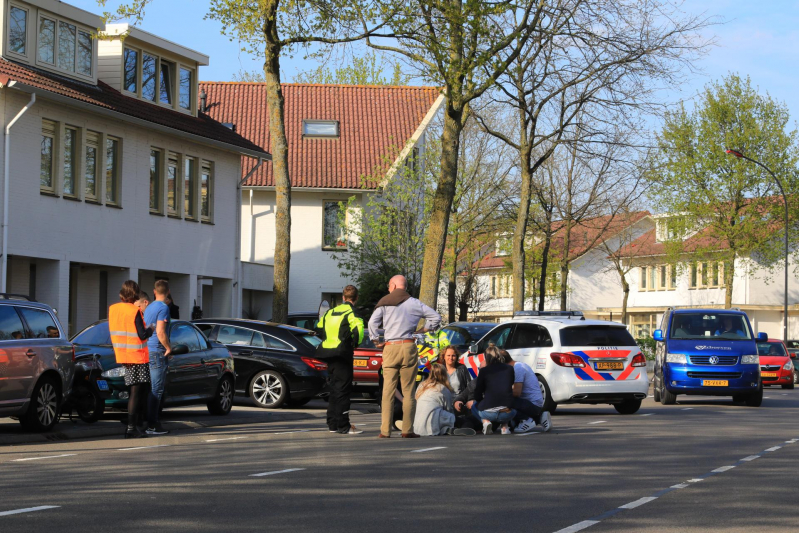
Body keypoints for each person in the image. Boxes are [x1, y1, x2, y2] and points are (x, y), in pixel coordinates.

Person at [369, 275, 441, 438]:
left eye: (389, 285)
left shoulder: (384, 302)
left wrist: (375, 340)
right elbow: (436, 317)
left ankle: (385, 431)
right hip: (408, 346)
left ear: (394, 286)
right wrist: (424, 330)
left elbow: (372, 323)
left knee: (388, 390)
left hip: (390, 347)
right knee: (409, 390)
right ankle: (407, 430)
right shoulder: (415, 303)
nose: (388, 288)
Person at [316, 285, 364, 435]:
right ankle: (344, 425)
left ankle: (332, 424)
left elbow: (319, 328)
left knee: (334, 389)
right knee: (343, 390)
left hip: (328, 353)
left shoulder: (330, 312)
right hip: (342, 354)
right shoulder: (352, 311)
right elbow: (359, 330)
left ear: (343, 297)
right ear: (356, 298)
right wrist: (354, 344)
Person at [109, 280, 154, 439]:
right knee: (137, 393)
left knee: (133, 392)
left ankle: (133, 425)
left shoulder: (113, 309)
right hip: (137, 356)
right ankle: (132, 427)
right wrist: (151, 329)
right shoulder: (134, 311)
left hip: (123, 355)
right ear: (135, 293)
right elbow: (142, 334)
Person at [142, 280, 172, 436]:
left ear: (154, 291)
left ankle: (146, 421)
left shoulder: (149, 307)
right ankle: (153, 424)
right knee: (157, 389)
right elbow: (160, 332)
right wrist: (168, 347)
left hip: (146, 349)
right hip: (157, 351)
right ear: (167, 291)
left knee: (150, 388)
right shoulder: (163, 308)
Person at [413, 364, 475, 436]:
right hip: (435, 419)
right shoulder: (443, 389)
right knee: (466, 422)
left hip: (418, 423)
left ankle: (447, 430)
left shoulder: (421, 386)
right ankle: (455, 429)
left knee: (442, 418)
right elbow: (448, 409)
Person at [500, 349, 552, 433]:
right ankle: (540, 418)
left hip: (532, 404)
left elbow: (517, 393)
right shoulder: (519, 365)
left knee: (503, 402)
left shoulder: (518, 368)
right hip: (533, 403)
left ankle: (526, 419)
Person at [471, 346, 516, 435]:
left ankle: (486, 422)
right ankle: (504, 427)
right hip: (507, 413)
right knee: (512, 406)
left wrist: (481, 402)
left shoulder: (484, 371)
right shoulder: (509, 368)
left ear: (486, 357)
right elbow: (510, 385)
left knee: (473, 406)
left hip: (488, 412)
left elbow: (477, 394)